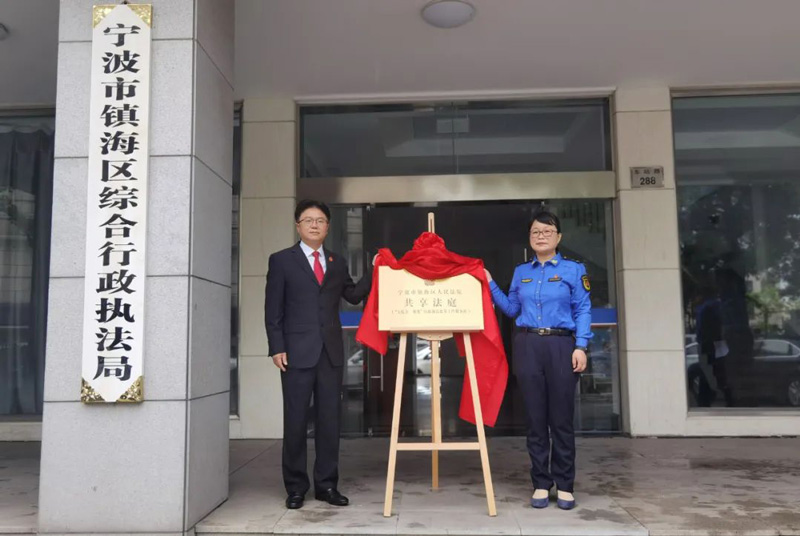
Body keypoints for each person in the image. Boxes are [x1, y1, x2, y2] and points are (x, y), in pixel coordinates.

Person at [264, 200, 372, 510]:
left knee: (329, 421)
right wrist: (276, 346)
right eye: (308, 220)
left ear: (327, 227)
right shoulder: (282, 260)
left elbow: (353, 295)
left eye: (320, 220)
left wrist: (375, 270)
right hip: (295, 353)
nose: (314, 225)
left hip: (330, 353)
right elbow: (273, 309)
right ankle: (296, 487)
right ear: (297, 225)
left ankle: (327, 485)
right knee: (296, 421)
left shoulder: (336, 262)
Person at [484, 210, 591, 510]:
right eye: (535, 232)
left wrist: (581, 346)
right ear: (529, 238)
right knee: (535, 420)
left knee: (561, 420)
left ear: (559, 237)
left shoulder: (574, 270)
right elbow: (511, 309)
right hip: (528, 345)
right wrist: (490, 283)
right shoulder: (521, 272)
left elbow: (583, 309)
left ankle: (565, 485)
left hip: (561, 345)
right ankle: (541, 483)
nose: (541, 236)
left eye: (547, 231)